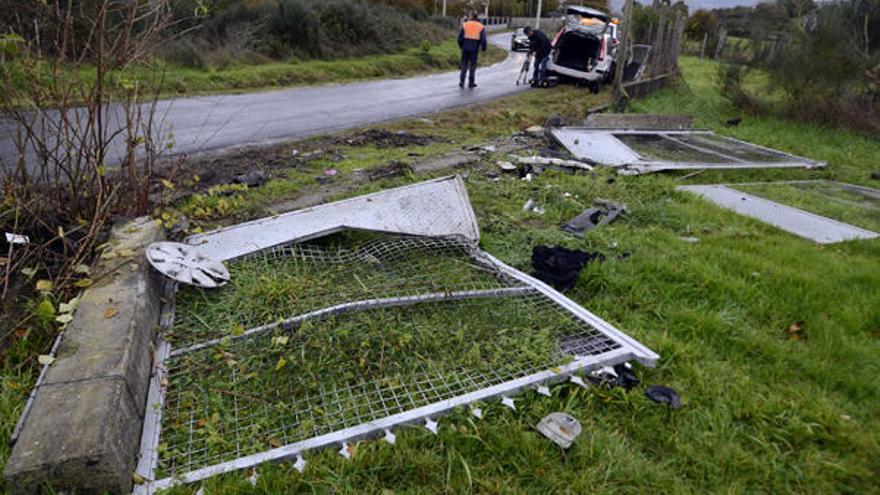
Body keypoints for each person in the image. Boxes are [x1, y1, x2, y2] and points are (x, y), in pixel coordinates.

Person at [457, 13, 487, 88]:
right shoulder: (480, 26)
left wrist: (461, 46)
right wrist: (483, 48)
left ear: (471, 17)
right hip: (474, 48)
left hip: (465, 48)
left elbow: (459, 38)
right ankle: (471, 82)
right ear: (477, 18)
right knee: (472, 66)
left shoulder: (465, 25)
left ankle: (462, 81)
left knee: (464, 64)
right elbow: (483, 39)